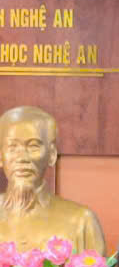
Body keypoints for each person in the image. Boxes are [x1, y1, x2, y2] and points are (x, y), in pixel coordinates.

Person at [0, 105, 105, 253]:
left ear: (51, 155)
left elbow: (96, 266)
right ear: (1, 156)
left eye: (33, 146)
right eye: (12, 147)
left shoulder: (81, 221)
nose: (22, 158)